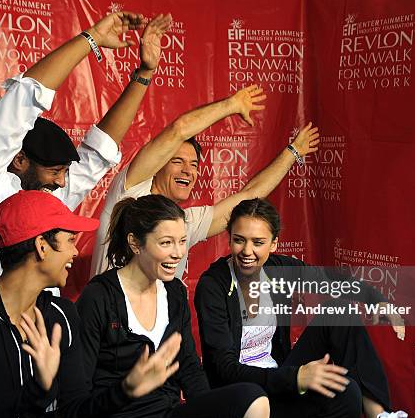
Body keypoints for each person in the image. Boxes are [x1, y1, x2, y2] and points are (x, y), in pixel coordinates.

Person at [0, 11, 172, 304]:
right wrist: (92, 39)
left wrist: (144, 74)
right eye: (55, 171)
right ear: (20, 160)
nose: (63, 182)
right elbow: (23, 100)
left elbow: (100, 150)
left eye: (64, 172)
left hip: (35, 346)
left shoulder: (47, 202)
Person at [0, 190, 184, 418]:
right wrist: (35, 391)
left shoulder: (61, 314)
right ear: (41, 246)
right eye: (70, 240)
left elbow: (75, 414)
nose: (75, 252)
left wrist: (125, 389)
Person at [194, 198, 415, 418]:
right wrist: (297, 377)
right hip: (243, 402)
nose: (247, 251)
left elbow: (328, 279)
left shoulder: (278, 268)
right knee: (342, 391)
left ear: (274, 243)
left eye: (258, 242)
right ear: (228, 238)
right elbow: (224, 369)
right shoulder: (214, 286)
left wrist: (375, 300)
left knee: (341, 325)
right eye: (239, 240)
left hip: (277, 384)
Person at [74, 194, 270, 418]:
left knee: (253, 399)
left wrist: (210, 414)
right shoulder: (99, 297)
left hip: (167, 414)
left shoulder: (174, 291)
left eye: (181, 242)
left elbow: (189, 367)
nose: (178, 253)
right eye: (166, 243)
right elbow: (77, 402)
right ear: (135, 243)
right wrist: (127, 388)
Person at [89, 88, 320, 278]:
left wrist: (293, 151)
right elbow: (178, 131)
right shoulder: (129, 191)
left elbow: (251, 194)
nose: (187, 171)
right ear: (157, 165)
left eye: (194, 165)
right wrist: (231, 105)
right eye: (177, 161)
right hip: (109, 330)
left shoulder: (187, 222)